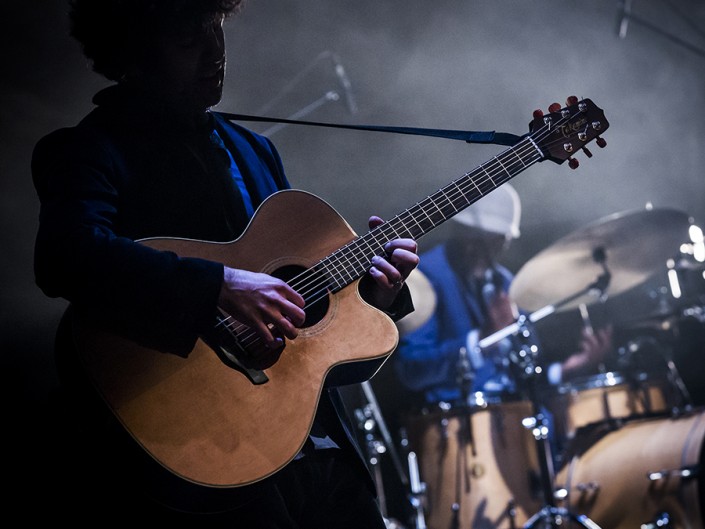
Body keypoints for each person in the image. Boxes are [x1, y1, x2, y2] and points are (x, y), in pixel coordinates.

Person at [31, 1, 419, 526]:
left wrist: (376, 295)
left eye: (217, 32)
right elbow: (65, 257)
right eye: (190, 41)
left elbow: (297, 307)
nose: (215, 54)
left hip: (318, 444)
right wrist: (216, 284)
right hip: (213, 450)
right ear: (133, 51)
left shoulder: (253, 149)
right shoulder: (89, 150)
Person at [394, 183, 613, 410]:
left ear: (505, 241)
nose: (477, 251)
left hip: (516, 417)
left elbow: (526, 370)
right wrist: (483, 339)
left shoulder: (506, 282)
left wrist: (568, 370)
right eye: (472, 241)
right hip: (456, 424)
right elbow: (412, 370)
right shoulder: (424, 277)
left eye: (492, 243)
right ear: (457, 231)